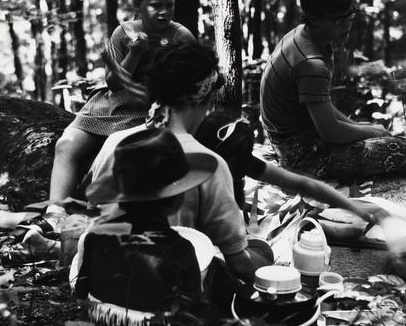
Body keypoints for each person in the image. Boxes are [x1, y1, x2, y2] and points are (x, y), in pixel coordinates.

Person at [22, 0, 194, 238]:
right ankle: (55, 214)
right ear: (138, 6)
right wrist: (135, 52)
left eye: (169, 5)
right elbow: (114, 82)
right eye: (155, 6)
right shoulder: (123, 33)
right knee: (66, 144)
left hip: (149, 107)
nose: (163, 12)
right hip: (114, 103)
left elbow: (190, 82)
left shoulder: (180, 36)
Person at [82, 41, 272, 283]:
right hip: (163, 300)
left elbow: (91, 217)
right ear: (203, 98)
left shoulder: (114, 142)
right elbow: (239, 263)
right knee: (257, 256)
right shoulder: (209, 165)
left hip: (102, 292)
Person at [260, 0, 406, 180]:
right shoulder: (310, 63)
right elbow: (330, 132)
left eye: (350, 14)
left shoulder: (301, 36)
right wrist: (372, 132)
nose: (347, 23)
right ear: (313, 18)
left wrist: (358, 127)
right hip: (302, 156)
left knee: (375, 132)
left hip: (295, 139)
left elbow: (319, 105)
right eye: (339, 19)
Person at [70, 128, 213, 326]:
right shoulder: (180, 249)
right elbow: (190, 316)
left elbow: (81, 293)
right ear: (176, 198)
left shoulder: (95, 236)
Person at [194, 110, 393, 223]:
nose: (238, 174)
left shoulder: (238, 161)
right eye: (233, 167)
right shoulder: (194, 181)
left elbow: (305, 184)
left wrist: (353, 206)